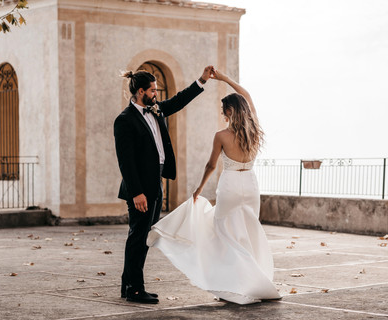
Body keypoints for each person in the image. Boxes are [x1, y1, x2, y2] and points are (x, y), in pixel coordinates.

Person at [147, 68, 282, 304]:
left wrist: (199, 189)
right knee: (247, 233)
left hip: (230, 185)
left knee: (224, 235)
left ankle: (232, 283)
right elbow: (247, 95)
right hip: (250, 185)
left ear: (229, 112)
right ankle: (253, 281)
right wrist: (225, 79)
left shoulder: (221, 135)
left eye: (223, 111)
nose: (222, 114)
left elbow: (210, 165)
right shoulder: (254, 130)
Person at [114, 66, 213, 304]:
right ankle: (135, 290)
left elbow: (179, 101)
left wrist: (201, 80)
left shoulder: (156, 110)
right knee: (138, 237)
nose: (156, 94)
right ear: (140, 92)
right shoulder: (125, 120)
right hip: (140, 188)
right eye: (152, 90)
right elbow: (125, 161)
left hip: (156, 182)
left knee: (143, 236)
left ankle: (129, 284)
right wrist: (137, 192)